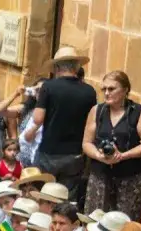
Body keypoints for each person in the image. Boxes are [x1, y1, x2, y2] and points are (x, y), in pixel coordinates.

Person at [81, 71, 141, 221]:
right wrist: (99, 156)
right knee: (95, 220)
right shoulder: (97, 111)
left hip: (130, 176)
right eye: (104, 89)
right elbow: (86, 143)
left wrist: (123, 155)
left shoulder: (137, 112)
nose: (107, 93)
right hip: (100, 174)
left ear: (125, 90)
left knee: (125, 223)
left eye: (112, 89)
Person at [33, 46, 98, 210]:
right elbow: (92, 122)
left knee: (45, 195)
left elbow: (37, 118)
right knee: (68, 199)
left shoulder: (48, 87)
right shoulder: (89, 92)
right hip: (75, 153)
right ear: (76, 67)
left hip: (50, 151)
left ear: (56, 67)